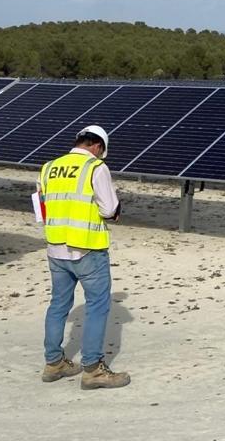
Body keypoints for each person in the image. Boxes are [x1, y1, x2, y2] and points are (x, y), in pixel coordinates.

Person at [37, 125, 131, 390]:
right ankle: (93, 370)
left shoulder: (49, 167)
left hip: (55, 247)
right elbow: (109, 208)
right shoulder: (95, 168)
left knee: (58, 305)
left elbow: (41, 207)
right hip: (87, 248)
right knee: (98, 306)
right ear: (98, 146)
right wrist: (114, 212)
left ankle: (54, 363)